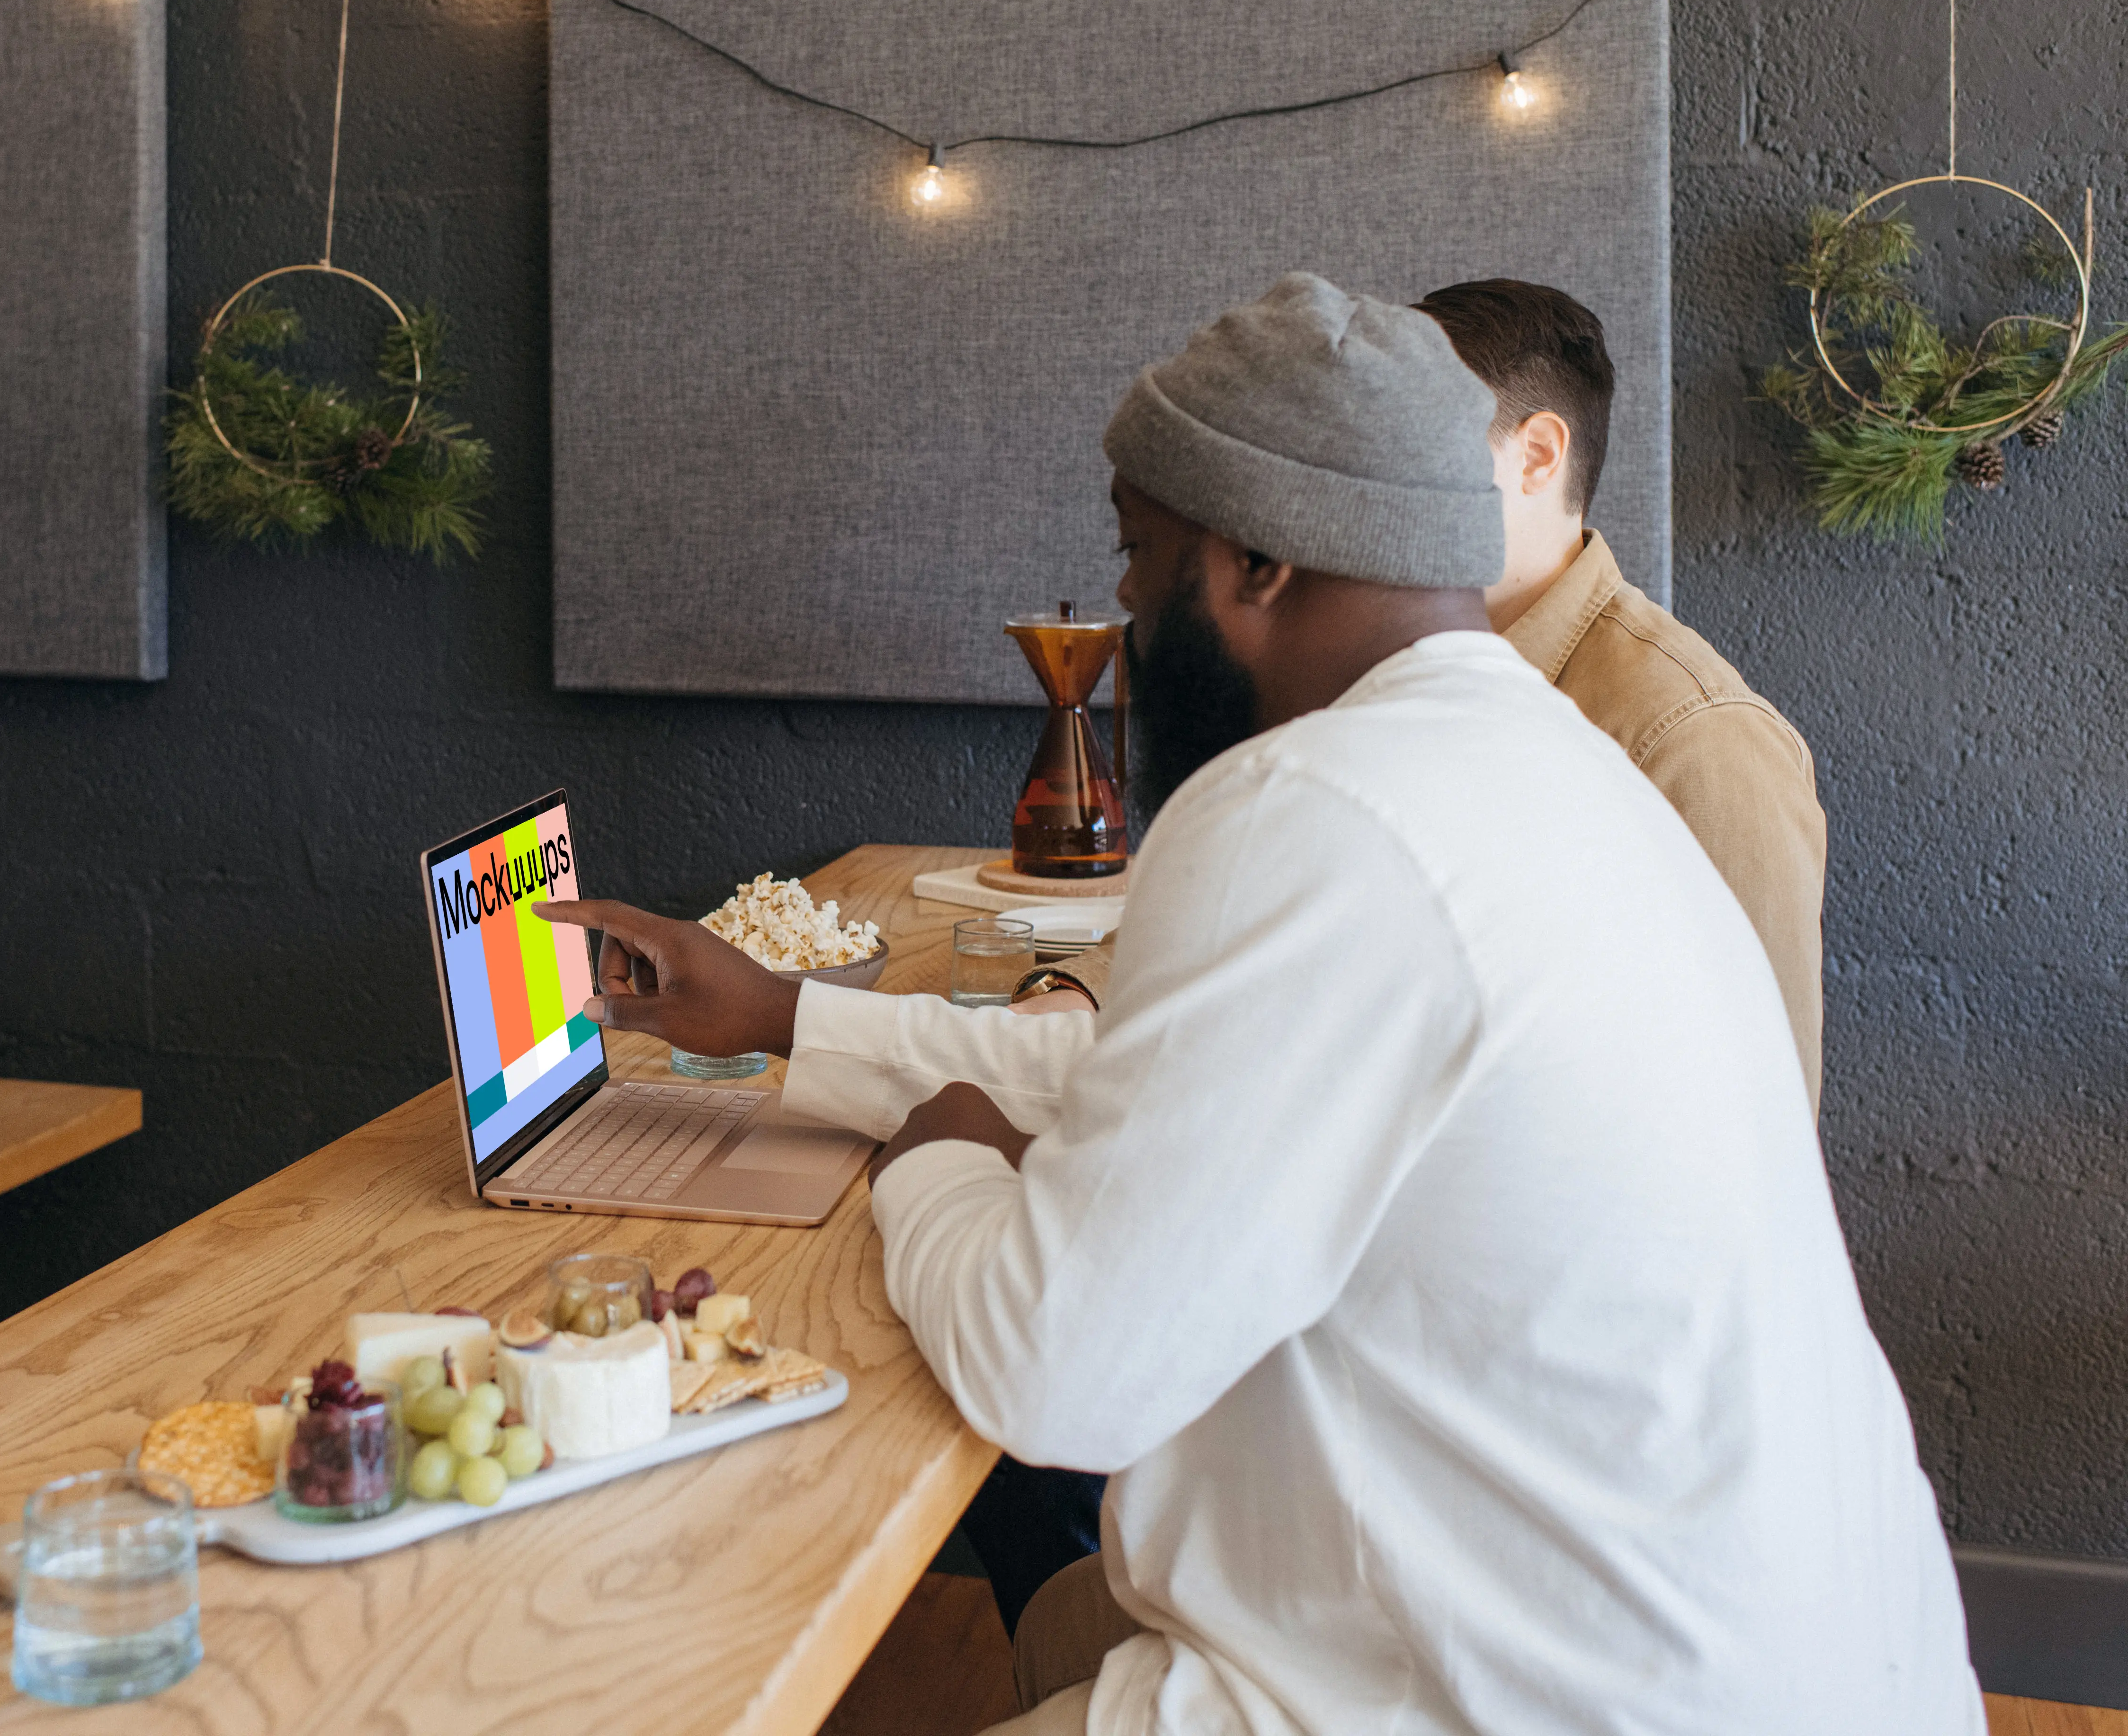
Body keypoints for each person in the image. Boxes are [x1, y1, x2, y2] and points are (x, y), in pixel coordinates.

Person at [540, 275, 1975, 1735]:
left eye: (1138, 551)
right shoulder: (1558, 764)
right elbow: (1152, 1079)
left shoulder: (1309, 803)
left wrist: (941, 1163)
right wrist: (790, 1017)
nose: (1120, 604)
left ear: (1254, 567)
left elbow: (1054, 1376)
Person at [1416, 279, 1828, 1110]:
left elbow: (1756, 1117)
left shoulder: (1695, 737)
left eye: (1411, 450)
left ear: (1537, 454)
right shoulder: (1409, 682)